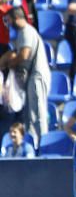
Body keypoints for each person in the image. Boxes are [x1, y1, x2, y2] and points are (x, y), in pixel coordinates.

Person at [1, 8, 48, 146]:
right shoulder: (22, 33)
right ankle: (34, 145)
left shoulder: (27, 31)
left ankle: (42, 146)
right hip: (30, 79)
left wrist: (9, 64)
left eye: (8, 20)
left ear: (16, 18)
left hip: (36, 77)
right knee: (30, 116)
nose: (8, 24)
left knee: (37, 114)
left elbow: (24, 55)